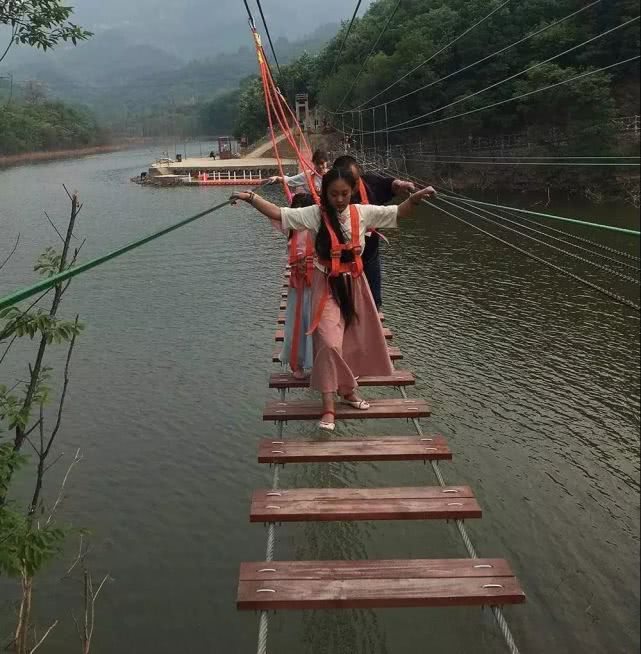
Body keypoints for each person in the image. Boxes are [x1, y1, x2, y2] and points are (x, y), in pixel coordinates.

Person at [231, 168, 436, 431]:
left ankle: (348, 391)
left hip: (354, 284)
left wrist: (415, 198)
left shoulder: (361, 212)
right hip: (325, 284)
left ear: (351, 192)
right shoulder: (315, 214)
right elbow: (279, 213)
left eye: (344, 194)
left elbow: (398, 213)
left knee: (350, 342)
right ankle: (329, 405)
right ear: (324, 194)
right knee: (328, 342)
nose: (339, 199)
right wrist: (250, 197)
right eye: (333, 194)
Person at [333, 155, 418, 311]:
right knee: (342, 304)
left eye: (355, 180)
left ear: (359, 173)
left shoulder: (370, 183)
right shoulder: (332, 195)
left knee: (373, 300)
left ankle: (373, 319)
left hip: (369, 254)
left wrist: (401, 185)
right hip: (342, 260)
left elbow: (390, 185)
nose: (352, 188)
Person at [280, 193, 316, 379]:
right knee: (297, 324)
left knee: (318, 323)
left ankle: (319, 362)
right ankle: (299, 364)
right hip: (297, 287)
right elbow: (272, 213)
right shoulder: (290, 229)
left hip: (317, 285)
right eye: (296, 214)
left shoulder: (318, 228)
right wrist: (250, 199)